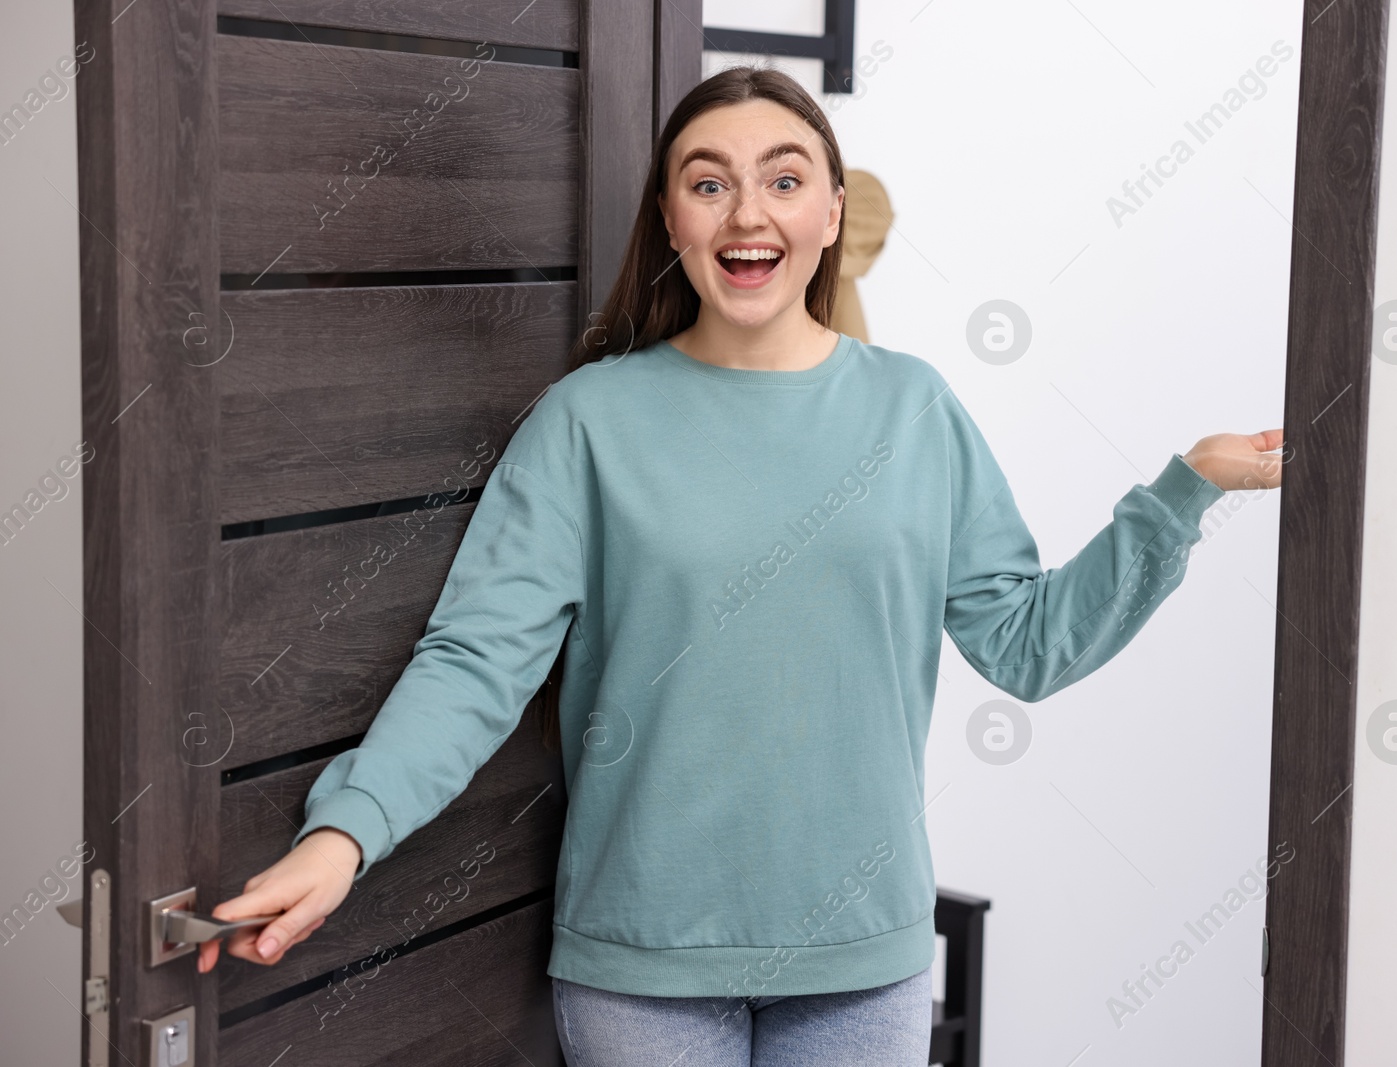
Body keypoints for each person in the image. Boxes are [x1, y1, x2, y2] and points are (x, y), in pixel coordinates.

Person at [198, 64, 1283, 1065]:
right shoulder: (589, 422)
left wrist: (1180, 492)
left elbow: (1030, 644)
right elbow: (478, 658)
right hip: (643, 969)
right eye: (707, 183)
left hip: (863, 965)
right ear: (671, 219)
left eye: (783, 177)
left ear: (829, 212)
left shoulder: (914, 411)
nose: (747, 211)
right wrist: (344, 833)